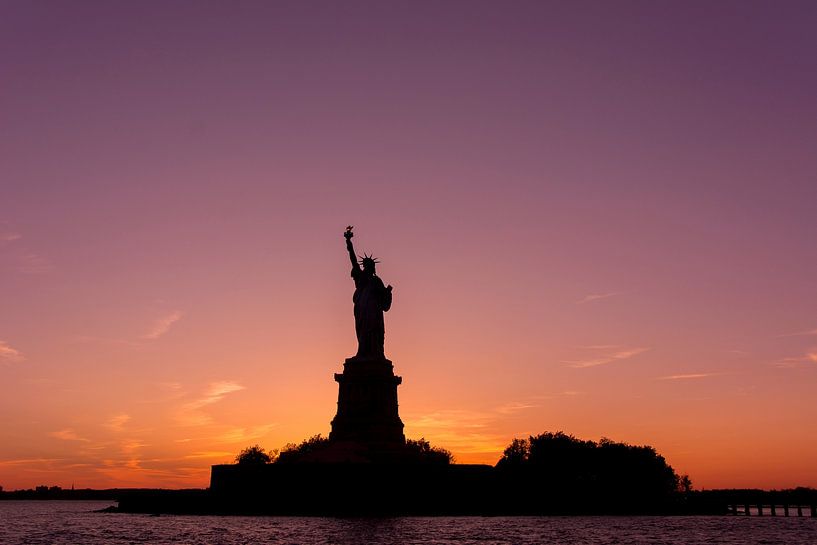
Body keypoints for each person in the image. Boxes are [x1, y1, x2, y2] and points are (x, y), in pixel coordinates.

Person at [344, 227, 392, 359]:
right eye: (366, 265)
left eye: (370, 266)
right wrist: (349, 243)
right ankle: (363, 353)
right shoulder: (361, 278)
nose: (368, 268)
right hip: (362, 310)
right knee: (363, 332)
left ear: (373, 267)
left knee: (375, 331)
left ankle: (376, 354)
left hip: (374, 311)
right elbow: (353, 260)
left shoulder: (377, 281)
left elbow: (384, 302)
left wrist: (388, 292)